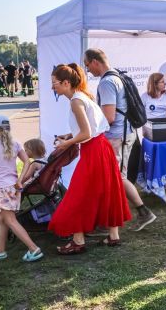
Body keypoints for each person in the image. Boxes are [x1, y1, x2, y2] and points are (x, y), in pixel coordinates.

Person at [48, 64, 131, 254]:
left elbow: (85, 133)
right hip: (101, 147)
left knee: (79, 194)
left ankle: (78, 241)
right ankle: (113, 235)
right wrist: (69, 136)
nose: (53, 87)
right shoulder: (84, 96)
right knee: (107, 190)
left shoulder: (76, 101)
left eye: (55, 83)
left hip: (93, 150)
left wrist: (65, 144)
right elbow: (89, 129)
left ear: (66, 83)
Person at [83, 48, 156, 231]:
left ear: (95, 62)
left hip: (117, 136)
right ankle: (108, 217)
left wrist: (88, 128)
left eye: (87, 65)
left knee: (118, 177)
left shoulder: (107, 82)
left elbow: (108, 117)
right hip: (123, 133)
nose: (87, 70)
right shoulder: (117, 76)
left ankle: (143, 212)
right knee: (113, 176)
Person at [0, 115, 44, 263]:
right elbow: (27, 161)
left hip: (1, 188)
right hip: (14, 187)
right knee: (0, 217)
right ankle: (0, 250)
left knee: (10, 219)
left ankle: (34, 249)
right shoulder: (16, 144)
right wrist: (20, 180)